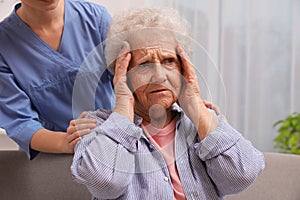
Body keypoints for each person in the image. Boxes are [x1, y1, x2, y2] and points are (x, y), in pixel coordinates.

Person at [71, 7, 265, 200]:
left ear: (183, 67)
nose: (159, 76)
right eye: (144, 64)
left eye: (169, 61)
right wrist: (123, 107)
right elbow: (105, 184)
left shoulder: (203, 120)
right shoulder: (97, 127)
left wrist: (195, 106)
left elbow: (242, 175)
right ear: (122, 73)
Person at [0, 0, 115, 159]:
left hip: (109, 144)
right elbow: (21, 123)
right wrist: (67, 141)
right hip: (50, 158)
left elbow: (128, 87)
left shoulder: (96, 19)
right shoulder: (4, 46)